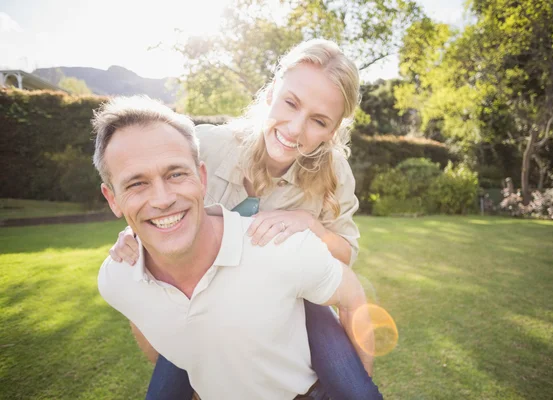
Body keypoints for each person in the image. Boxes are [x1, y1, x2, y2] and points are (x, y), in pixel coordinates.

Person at [109, 39, 383, 399]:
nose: (296, 129)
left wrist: (309, 223)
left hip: (295, 298)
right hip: (201, 295)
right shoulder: (205, 144)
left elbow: (346, 256)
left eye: (318, 121)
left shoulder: (334, 175)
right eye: (290, 103)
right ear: (271, 93)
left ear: (332, 132)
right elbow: (158, 198)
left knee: (355, 391)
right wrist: (132, 234)